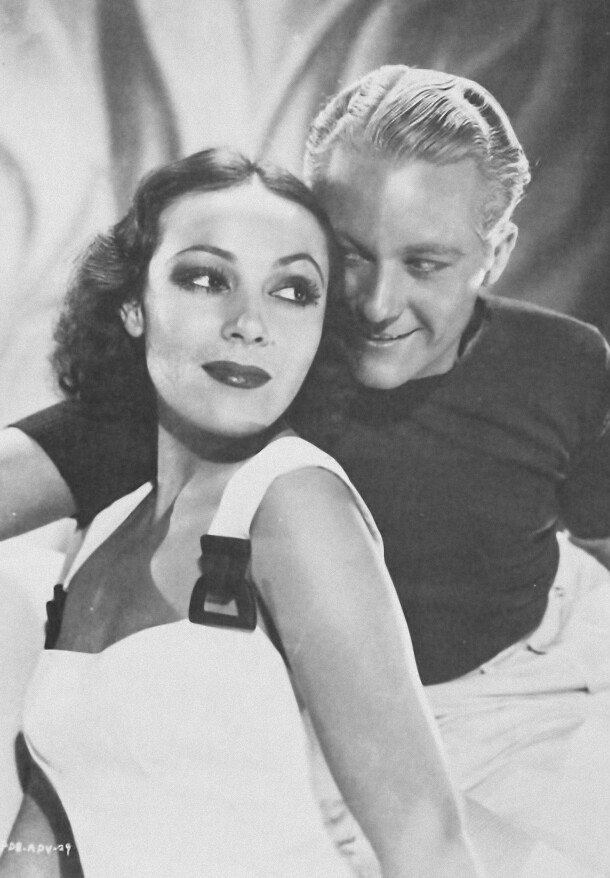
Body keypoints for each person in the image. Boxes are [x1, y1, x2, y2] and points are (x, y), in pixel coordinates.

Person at [2, 66, 610, 874]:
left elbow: (609, 537)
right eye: (350, 255)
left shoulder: (564, 364)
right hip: (326, 727)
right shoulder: (240, 378)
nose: (375, 303)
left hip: (528, 689)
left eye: (426, 263)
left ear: (496, 252)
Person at [0, 147, 481, 878]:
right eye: (205, 279)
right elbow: (46, 830)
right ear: (133, 306)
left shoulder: (293, 502)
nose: (250, 324)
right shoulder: (104, 530)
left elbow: (427, 846)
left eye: (293, 291)